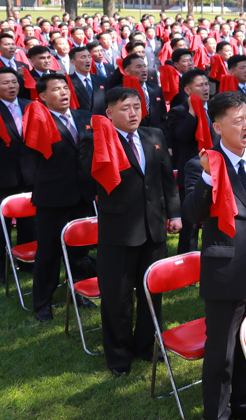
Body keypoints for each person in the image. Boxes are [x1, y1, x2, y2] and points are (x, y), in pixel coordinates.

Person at [183, 91, 246, 420]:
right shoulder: (201, 163)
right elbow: (191, 213)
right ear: (217, 127)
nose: (245, 126)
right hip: (225, 270)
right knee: (222, 355)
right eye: (236, 121)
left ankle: (245, 410)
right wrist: (206, 177)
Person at [80, 86, 181, 377]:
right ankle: (118, 356)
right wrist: (102, 137)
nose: (133, 112)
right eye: (125, 108)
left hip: (153, 228)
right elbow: (88, 176)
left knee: (153, 292)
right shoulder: (94, 140)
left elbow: (166, 180)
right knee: (118, 298)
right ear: (109, 114)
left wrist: (174, 213)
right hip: (119, 233)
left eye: (137, 106)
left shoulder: (154, 135)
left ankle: (146, 345)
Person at [25, 73, 95, 322]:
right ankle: (42, 303)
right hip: (53, 197)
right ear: (43, 96)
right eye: (56, 89)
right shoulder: (38, 120)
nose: (64, 93)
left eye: (65, 88)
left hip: (83, 194)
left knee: (80, 250)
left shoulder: (83, 117)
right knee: (49, 251)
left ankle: (79, 292)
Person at [167, 69, 218, 255]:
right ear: (188, 90)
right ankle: (186, 260)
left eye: (206, 84)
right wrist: (191, 111)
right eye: (200, 85)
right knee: (190, 223)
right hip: (192, 172)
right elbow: (183, 136)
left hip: (216, 169)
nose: (205, 88)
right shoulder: (177, 112)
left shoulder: (215, 109)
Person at [0, 66, 35, 283]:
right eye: (5, 83)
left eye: (14, 82)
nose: (12, 86)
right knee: (2, 226)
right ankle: (2, 270)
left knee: (29, 223)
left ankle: (27, 263)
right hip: (4, 176)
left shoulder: (30, 106)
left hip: (30, 175)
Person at [68, 45, 107, 115]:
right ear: (73, 62)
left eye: (89, 57)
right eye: (83, 57)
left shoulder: (102, 80)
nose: (88, 60)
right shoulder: (68, 82)